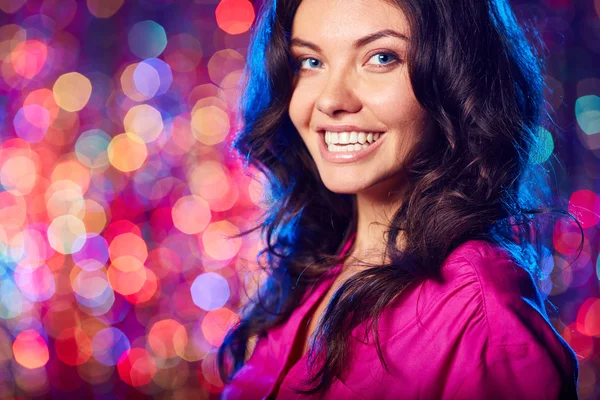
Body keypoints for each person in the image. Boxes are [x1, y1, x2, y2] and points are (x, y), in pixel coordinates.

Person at [218, 0, 582, 398]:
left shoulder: (478, 311)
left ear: (455, 77)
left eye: (381, 57)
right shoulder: (317, 263)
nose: (330, 100)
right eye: (310, 61)